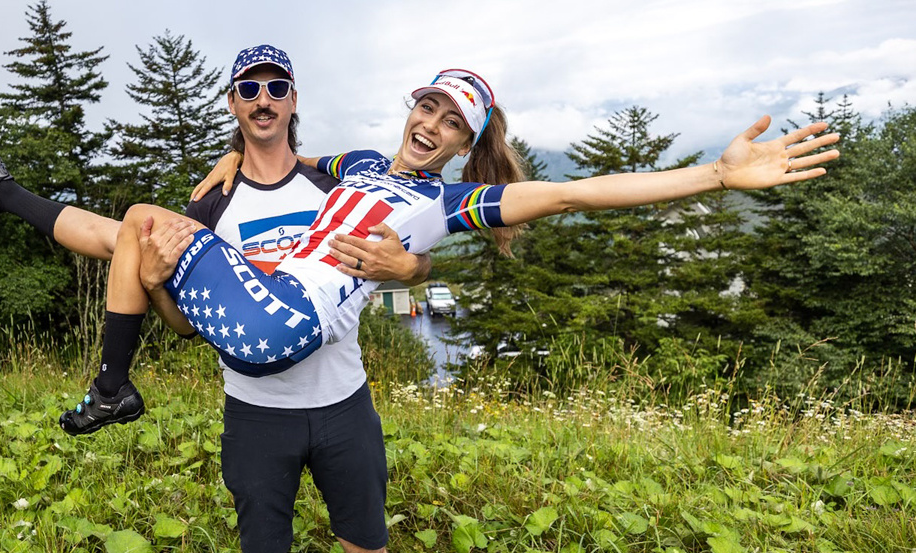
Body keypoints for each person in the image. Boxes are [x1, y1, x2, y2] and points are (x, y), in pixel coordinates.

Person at [0, 45, 430, 553]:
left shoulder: (330, 185)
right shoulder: (211, 202)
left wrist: (414, 269)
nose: (264, 98)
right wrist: (152, 281)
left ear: (295, 100)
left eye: (277, 86)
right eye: (250, 88)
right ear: (234, 103)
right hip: (255, 413)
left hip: (344, 404)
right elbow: (189, 326)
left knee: (367, 545)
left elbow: (419, 227)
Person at [69, 68, 840, 407]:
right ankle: (3, 196)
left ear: (465, 145)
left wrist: (713, 175)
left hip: (294, 336)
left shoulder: (452, 201)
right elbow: (287, 153)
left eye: (453, 124)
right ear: (413, 108)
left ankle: (112, 388)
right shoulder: (360, 164)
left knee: (134, 228)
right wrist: (233, 152)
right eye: (429, 108)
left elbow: (576, 191)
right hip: (268, 317)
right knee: (120, 236)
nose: (432, 127)